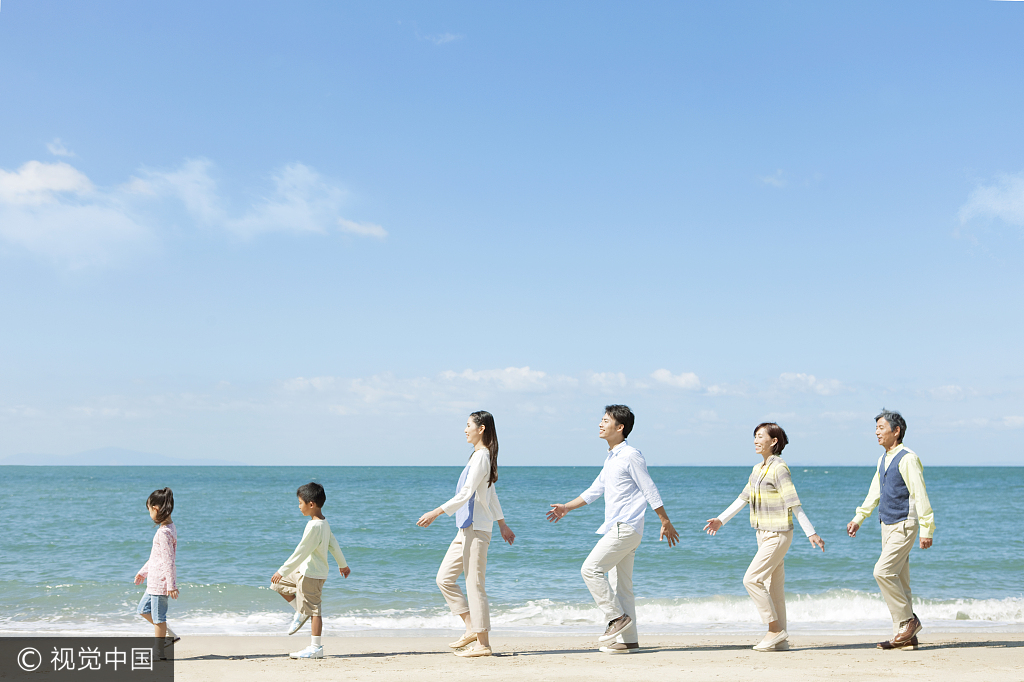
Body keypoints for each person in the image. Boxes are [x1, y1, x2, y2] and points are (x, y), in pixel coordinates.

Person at [547, 405, 679, 654]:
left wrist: (664, 520)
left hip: (626, 527)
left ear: (620, 427)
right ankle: (629, 640)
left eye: (606, 420)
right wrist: (567, 507)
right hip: (621, 528)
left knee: (590, 569)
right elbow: (595, 490)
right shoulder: (612, 458)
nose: (600, 424)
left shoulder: (630, 455)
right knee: (621, 587)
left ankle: (616, 617)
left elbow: (649, 488)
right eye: (601, 420)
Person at [703, 423, 825, 652]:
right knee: (774, 588)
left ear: (774, 441)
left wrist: (811, 532)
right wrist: (721, 519)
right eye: (755, 436)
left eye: (760, 436)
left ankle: (774, 629)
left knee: (751, 579)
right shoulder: (757, 469)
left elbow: (793, 502)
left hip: (778, 534)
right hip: (762, 534)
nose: (756, 441)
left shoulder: (780, 468)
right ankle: (781, 642)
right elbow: (743, 498)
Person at [417, 411, 516, 658]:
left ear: (481, 429)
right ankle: (471, 627)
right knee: (444, 578)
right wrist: (503, 524)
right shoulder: (478, 456)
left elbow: (467, 493)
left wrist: (436, 512)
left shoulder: (482, 456)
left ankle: (483, 644)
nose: (465, 429)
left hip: (477, 529)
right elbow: (490, 494)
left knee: (474, 585)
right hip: (465, 527)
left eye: (468, 425)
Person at [847, 409, 934, 650]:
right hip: (886, 524)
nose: (877, 432)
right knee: (900, 581)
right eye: (875, 428)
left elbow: (919, 494)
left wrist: (927, 528)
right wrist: (859, 518)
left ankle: (909, 621)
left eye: (881, 428)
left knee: (882, 572)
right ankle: (905, 637)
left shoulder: (908, 458)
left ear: (896, 431)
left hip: (905, 524)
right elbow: (875, 492)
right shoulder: (883, 459)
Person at [270, 481, 351, 660]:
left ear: (311, 504)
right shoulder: (322, 522)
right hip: (304, 570)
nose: (299, 507)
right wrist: (343, 564)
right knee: (278, 584)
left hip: (312, 574)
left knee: (314, 611)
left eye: (300, 503)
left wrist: (282, 570)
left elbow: (301, 551)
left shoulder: (314, 526)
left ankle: (315, 648)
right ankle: (300, 611)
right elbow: (333, 544)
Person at [134, 487, 179, 661]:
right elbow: (156, 557)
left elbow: (168, 560)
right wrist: (143, 572)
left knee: (159, 618)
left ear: (156, 509)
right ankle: (169, 635)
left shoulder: (164, 532)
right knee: (142, 610)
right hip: (153, 581)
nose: (150, 514)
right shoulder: (168, 528)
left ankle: (158, 652)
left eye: (149, 510)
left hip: (160, 583)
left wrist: (171, 585)